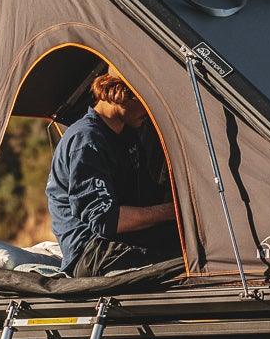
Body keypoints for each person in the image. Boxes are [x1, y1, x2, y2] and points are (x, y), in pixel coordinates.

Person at [45, 71, 180, 276]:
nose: (150, 108)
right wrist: (172, 211)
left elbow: (144, 197)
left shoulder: (127, 135)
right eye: (145, 99)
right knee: (182, 262)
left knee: (194, 242)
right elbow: (105, 219)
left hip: (123, 240)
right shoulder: (86, 140)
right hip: (92, 253)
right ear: (120, 94)